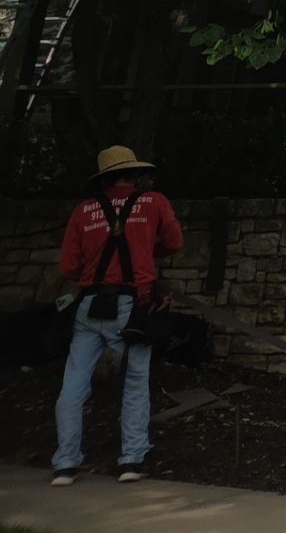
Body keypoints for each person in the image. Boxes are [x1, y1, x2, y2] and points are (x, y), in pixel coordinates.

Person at [51, 145, 183, 486]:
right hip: (131, 305)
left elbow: (68, 266)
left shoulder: (84, 210)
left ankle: (65, 464)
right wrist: (143, 249)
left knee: (73, 384)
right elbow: (173, 242)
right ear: (135, 173)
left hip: (89, 306)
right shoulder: (154, 202)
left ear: (104, 178)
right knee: (135, 382)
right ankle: (132, 460)